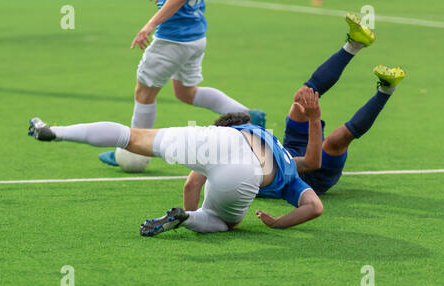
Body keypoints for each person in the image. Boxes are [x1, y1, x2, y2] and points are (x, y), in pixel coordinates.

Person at [183, 14, 406, 228]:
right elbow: (312, 163)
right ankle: (387, 89)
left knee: (301, 98)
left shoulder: (249, 153)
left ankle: (355, 44)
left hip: (288, 150)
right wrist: (314, 118)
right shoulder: (277, 178)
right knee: (338, 139)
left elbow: (193, 183)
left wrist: (192, 218)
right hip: (313, 175)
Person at [28, 86, 324, 236]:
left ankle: (54, 131)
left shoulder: (248, 133)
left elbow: (192, 184)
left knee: (131, 136)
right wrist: (277, 223)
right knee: (225, 222)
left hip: (214, 140)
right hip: (248, 171)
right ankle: (188, 219)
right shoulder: (290, 174)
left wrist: (310, 115)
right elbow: (314, 203)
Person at [99, 0, 266, 168]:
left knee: (144, 94)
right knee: (185, 92)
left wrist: (150, 25)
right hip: (195, 37)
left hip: (172, 40)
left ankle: (133, 150)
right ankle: (248, 116)